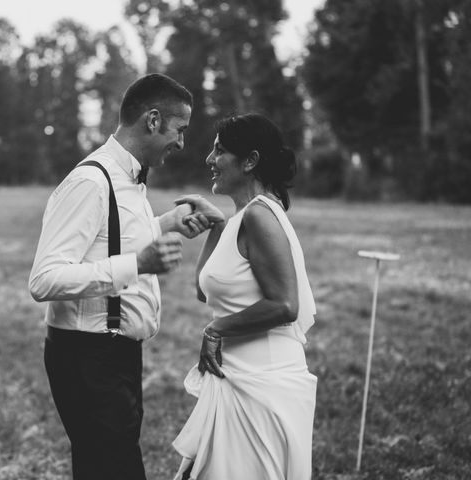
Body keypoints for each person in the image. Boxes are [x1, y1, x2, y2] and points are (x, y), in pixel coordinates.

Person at [28, 73, 220, 480]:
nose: (182, 143)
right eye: (180, 129)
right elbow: (44, 279)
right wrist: (139, 264)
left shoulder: (128, 180)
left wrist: (167, 223)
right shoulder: (89, 182)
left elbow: (110, 237)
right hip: (86, 356)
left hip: (114, 356)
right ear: (152, 120)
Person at [172, 113, 317, 480]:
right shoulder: (240, 217)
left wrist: (216, 330)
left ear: (250, 160)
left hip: (263, 384)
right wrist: (217, 227)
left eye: (219, 151)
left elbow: (285, 304)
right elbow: (203, 291)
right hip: (234, 378)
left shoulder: (261, 216)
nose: (209, 160)